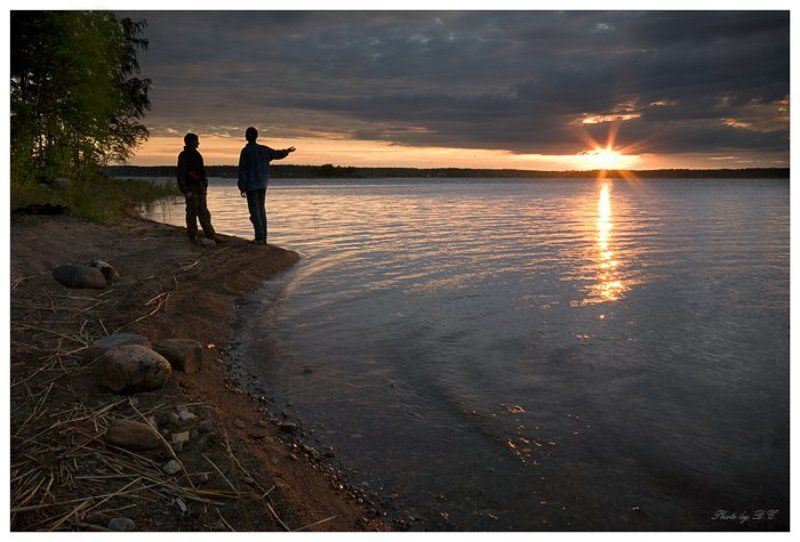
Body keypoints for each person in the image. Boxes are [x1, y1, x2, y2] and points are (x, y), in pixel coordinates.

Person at [237, 127, 295, 245]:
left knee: (255, 212)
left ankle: (259, 238)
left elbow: (242, 169)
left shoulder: (246, 151)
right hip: (262, 183)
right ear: (256, 136)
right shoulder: (264, 150)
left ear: (247, 137)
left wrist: (242, 186)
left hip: (251, 185)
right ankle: (263, 237)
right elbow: (277, 154)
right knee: (261, 210)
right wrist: (287, 151)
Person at [177, 133, 217, 243]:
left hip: (200, 187)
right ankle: (192, 235)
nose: (198, 143)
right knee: (191, 213)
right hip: (191, 188)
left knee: (204, 212)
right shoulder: (184, 156)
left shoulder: (197, 154)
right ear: (191, 142)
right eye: (196, 141)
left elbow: (202, 172)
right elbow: (181, 174)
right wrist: (185, 191)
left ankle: (210, 234)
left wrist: (205, 184)